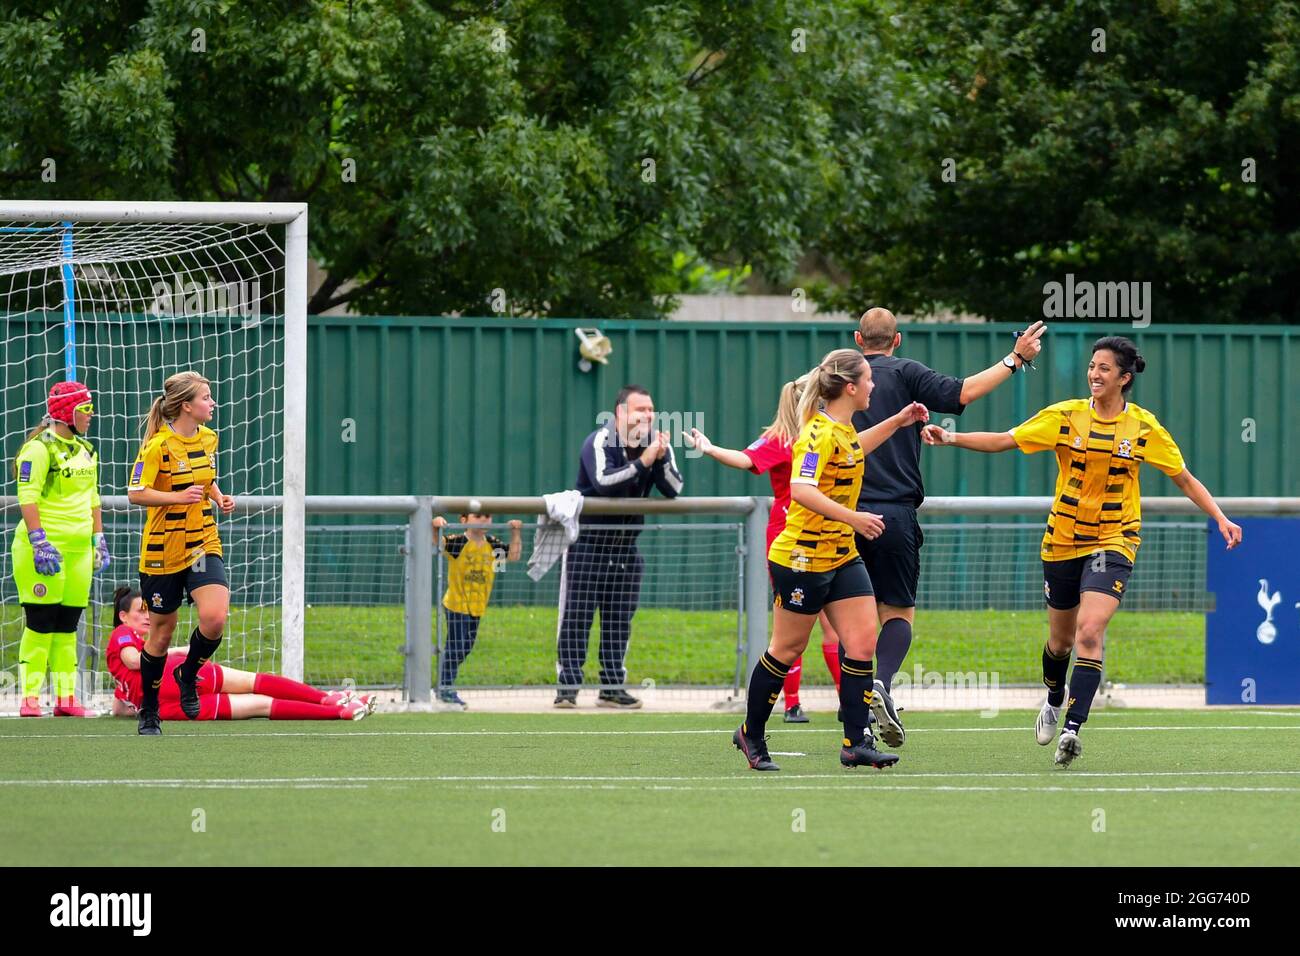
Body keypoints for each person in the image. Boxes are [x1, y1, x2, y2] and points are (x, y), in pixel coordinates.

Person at [921, 335, 1242, 766]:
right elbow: (1005, 440)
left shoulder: (1144, 427)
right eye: (1092, 366)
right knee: (1060, 643)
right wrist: (950, 438)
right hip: (1062, 542)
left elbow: (1183, 478)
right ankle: (1054, 698)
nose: (1094, 373)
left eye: (1105, 368)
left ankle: (1072, 728)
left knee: (1091, 632)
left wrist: (1219, 516)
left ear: (1124, 378)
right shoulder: (1065, 416)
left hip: (1114, 540)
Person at [850, 308, 1047, 747]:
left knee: (851, 623)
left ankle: (854, 721)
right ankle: (880, 684)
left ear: (858, 339)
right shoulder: (907, 372)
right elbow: (966, 392)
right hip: (895, 515)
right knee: (897, 614)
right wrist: (1014, 358)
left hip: (844, 513)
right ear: (897, 340)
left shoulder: (843, 373)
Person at [732, 348, 928, 771]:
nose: (875, 386)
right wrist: (853, 517)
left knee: (859, 644)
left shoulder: (843, 431)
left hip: (842, 556)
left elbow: (857, 448)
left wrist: (898, 421)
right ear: (852, 387)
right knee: (787, 648)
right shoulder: (817, 434)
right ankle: (750, 733)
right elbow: (802, 489)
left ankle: (855, 742)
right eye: (870, 380)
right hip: (802, 557)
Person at [686, 375, 844, 722]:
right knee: (793, 626)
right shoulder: (784, 438)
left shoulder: (830, 434)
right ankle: (791, 703)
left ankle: (845, 702)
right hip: (792, 542)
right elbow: (745, 459)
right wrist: (710, 449)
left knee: (834, 628)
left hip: (829, 539)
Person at [554, 384, 683, 709]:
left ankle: (611, 687)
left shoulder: (656, 445)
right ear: (621, 413)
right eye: (641, 409)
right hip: (588, 547)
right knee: (577, 618)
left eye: (651, 410)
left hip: (626, 551)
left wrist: (662, 457)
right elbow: (603, 482)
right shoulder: (599, 440)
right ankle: (567, 690)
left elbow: (674, 489)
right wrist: (643, 463)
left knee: (619, 620)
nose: (648, 415)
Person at [126, 371, 235, 736]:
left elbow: (204, 479)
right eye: (206, 398)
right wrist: (176, 497)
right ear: (186, 406)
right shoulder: (157, 446)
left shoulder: (208, 438)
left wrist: (218, 497)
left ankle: (188, 674)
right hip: (162, 551)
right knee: (161, 632)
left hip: (202, 543)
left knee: (215, 616)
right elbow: (135, 492)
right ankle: (150, 710)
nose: (212, 403)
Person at [105, 587, 374, 720]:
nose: (147, 616)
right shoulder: (122, 634)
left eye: (148, 610)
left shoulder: (132, 644)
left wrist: (122, 708)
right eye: (140, 610)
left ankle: (335, 708)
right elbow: (133, 660)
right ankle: (331, 702)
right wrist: (178, 650)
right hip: (173, 679)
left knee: (259, 698)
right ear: (123, 616)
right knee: (256, 689)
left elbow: (121, 705)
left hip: (172, 704)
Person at [10, 381, 108, 717]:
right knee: (41, 622)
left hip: (80, 551)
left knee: (68, 624)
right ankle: (30, 698)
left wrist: (98, 539)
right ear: (67, 413)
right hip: (44, 551)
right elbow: (28, 496)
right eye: (85, 409)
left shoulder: (87, 450)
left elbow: (93, 499)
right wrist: (39, 541)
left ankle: (67, 698)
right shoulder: (39, 449)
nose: (90, 415)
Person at [431, 512, 523, 709]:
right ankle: (444, 687)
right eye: (478, 516)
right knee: (456, 647)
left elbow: (513, 556)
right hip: (456, 604)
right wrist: (435, 526)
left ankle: (442, 683)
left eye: (488, 516)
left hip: (477, 607)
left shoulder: (493, 543)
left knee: (465, 648)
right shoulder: (459, 542)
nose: (484, 520)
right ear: (464, 520)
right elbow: (436, 544)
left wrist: (516, 533)